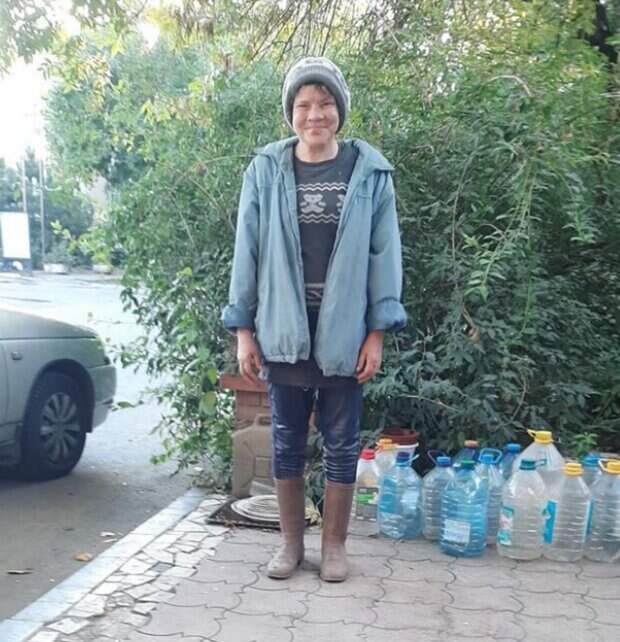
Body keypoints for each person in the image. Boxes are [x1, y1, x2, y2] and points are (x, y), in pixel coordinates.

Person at [222, 57, 406, 582]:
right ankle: (290, 546)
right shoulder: (266, 169)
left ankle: (335, 547)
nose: (315, 115)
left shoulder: (369, 173)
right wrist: (244, 331)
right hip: (283, 328)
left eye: (325, 103)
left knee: (342, 441)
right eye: (303, 105)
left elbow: (384, 255)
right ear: (291, 113)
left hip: (344, 331)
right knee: (286, 440)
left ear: (339, 110)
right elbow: (246, 251)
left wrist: (376, 333)